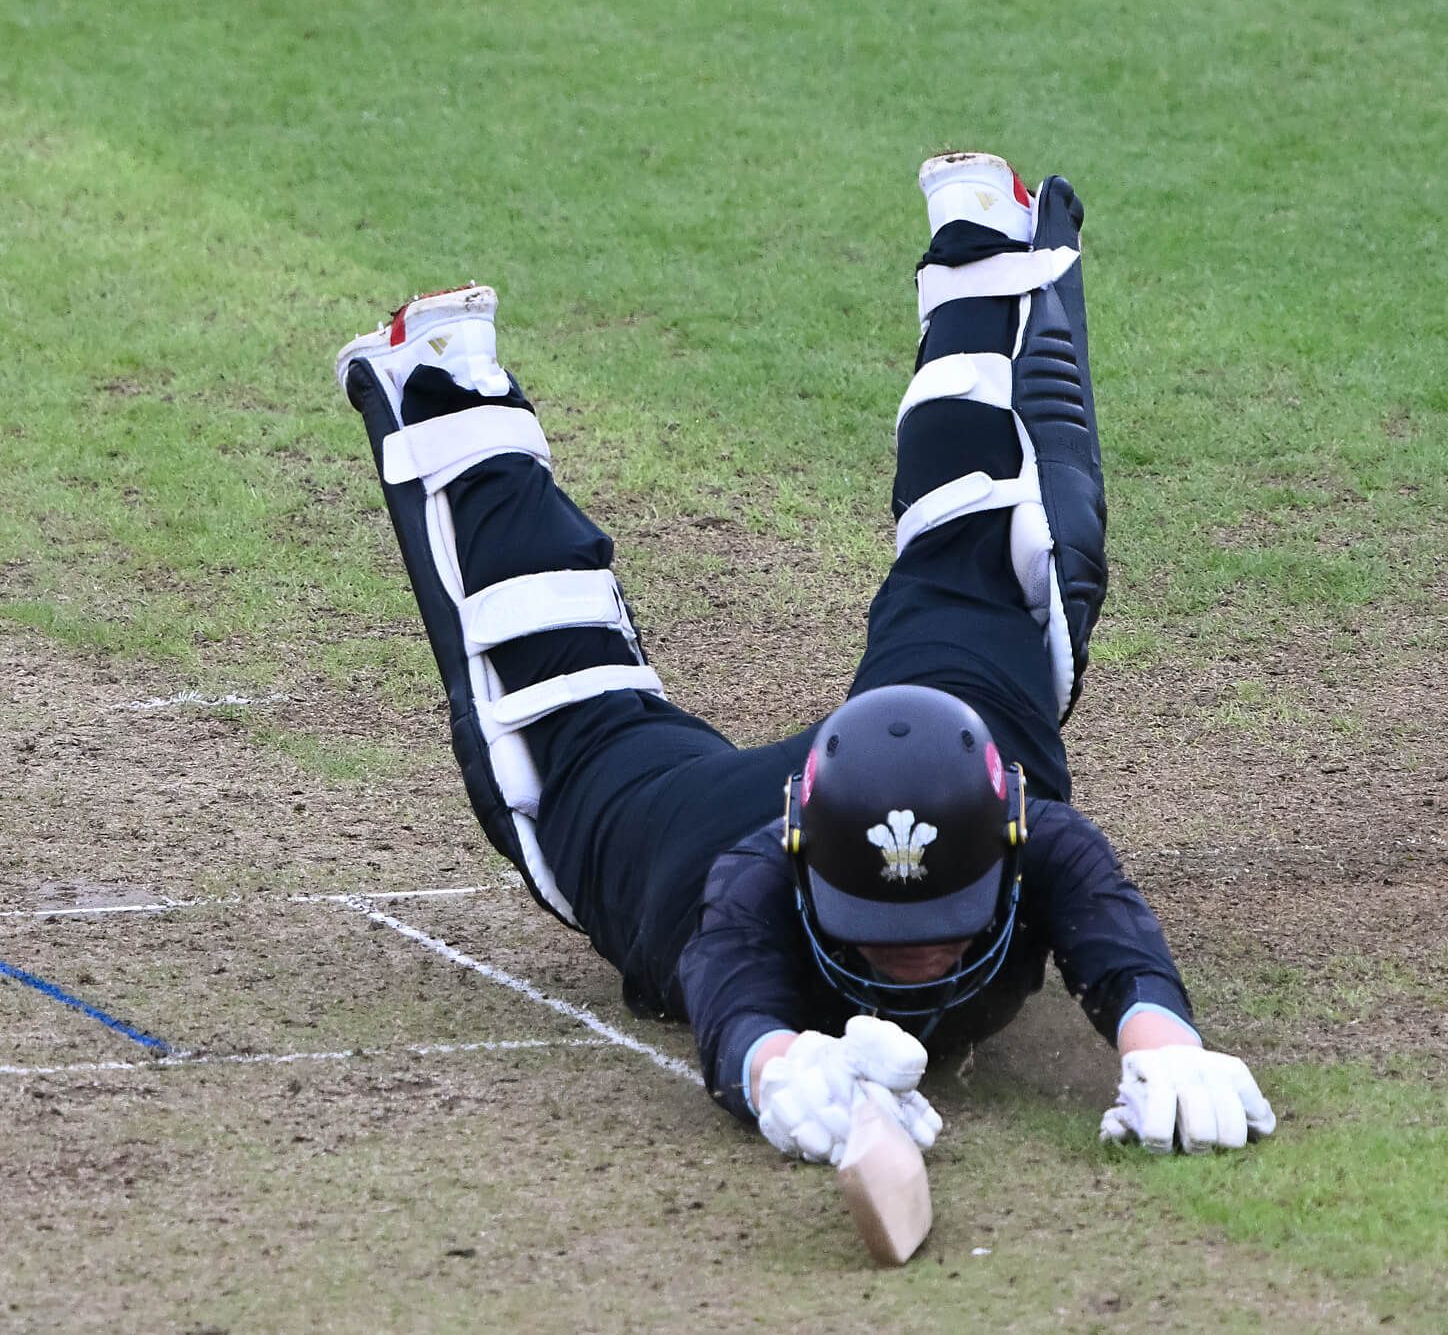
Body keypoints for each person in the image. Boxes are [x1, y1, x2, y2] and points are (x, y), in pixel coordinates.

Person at [334, 154, 1275, 1158]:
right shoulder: (732, 885)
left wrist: (1167, 1043)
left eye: (944, 923)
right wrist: (780, 1069)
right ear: (800, 869)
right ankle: (442, 383)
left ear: (1009, 840)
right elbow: (735, 997)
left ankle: (980, 248)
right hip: (689, 827)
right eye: (885, 928)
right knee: (556, 740)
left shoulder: (1031, 826)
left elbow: (1111, 934)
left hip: (934, 743)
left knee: (1007, 566)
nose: (918, 962)